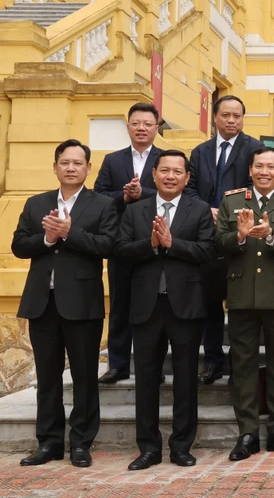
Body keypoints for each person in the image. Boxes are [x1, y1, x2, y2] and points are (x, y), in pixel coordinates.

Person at [12, 140, 117, 468]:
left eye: (78, 163)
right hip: (42, 302)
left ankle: (82, 442)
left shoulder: (102, 205)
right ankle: (49, 442)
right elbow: (19, 245)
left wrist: (71, 233)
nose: (71, 168)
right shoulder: (35, 203)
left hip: (82, 303)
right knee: (47, 376)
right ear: (55, 166)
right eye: (65, 162)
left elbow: (109, 246)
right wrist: (47, 239)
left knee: (85, 376)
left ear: (88, 168)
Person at [115, 150, 216, 471]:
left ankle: (181, 446)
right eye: (165, 170)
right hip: (146, 306)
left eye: (178, 172)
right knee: (146, 378)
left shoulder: (199, 210)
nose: (171, 176)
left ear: (187, 178)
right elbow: (120, 251)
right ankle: (148, 448)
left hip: (185, 305)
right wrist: (153, 245)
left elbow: (209, 251)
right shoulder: (135, 210)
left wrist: (173, 243)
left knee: (186, 379)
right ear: (154, 175)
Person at [215, 147, 274, 461]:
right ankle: (248, 432)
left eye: (270, 167)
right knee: (243, 365)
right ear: (250, 170)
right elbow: (218, 243)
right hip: (241, 294)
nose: (264, 172)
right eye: (258, 166)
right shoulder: (232, 200)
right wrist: (239, 237)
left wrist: (270, 236)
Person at [185, 94, 263, 386]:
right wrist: (208, 209)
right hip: (207, 235)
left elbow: (258, 185)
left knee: (242, 305)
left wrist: (229, 212)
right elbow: (189, 188)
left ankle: (240, 366)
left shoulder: (254, 148)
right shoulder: (201, 151)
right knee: (210, 302)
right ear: (214, 118)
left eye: (237, 116)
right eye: (226, 115)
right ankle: (214, 361)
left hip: (242, 235)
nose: (232, 120)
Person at [94, 102, 163, 384]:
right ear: (128, 127)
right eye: (136, 123)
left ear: (156, 128)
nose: (141, 128)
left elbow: (173, 191)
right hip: (121, 241)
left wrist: (143, 192)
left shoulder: (168, 158)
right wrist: (123, 196)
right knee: (120, 304)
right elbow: (98, 195)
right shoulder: (113, 160)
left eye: (147, 123)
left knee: (154, 308)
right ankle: (118, 364)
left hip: (155, 239)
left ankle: (153, 368)